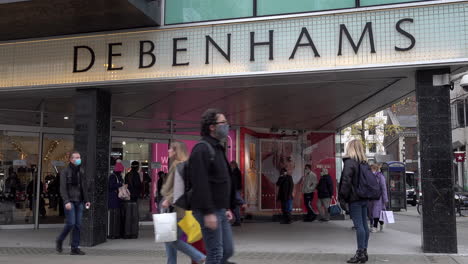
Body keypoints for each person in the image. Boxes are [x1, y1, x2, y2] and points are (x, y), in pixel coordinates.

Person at [190, 108, 237, 264]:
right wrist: (208, 213)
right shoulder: (202, 148)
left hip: (220, 208)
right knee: (215, 253)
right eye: (223, 123)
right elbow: (200, 183)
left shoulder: (218, 148)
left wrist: (228, 207)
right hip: (208, 210)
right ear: (212, 126)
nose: (227, 126)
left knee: (227, 250)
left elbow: (223, 180)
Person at [161, 141, 206, 264]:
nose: (168, 151)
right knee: (168, 238)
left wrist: (168, 200)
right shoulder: (176, 164)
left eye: (171, 149)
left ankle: (199, 256)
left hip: (176, 207)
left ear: (176, 151)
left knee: (173, 240)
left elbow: (180, 187)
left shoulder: (179, 166)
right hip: (171, 206)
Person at [338, 139, 370, 263]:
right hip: (364, 197)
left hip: (354, 199)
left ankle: (360, 253)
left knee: (359, 226)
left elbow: (346, 180)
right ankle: (365, 251)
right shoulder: (364, 163)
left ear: (350, 148)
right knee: (364, 226)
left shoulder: (350, 162)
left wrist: (342, 197)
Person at [56, 151, 91, 255]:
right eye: (76, 157)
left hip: (79, 201)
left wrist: (87, 200)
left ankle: (74, 248)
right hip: (69, 201)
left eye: (79, 157)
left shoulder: (81, 171)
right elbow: (62, 188)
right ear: (71, 159)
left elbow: (83, 188)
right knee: (71, 223)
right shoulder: (65, 172)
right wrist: (66, 201)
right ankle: (60, 240)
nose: (78, 159)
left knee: (78, 225)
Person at [368, 164, 388, 233]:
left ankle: (375, 226)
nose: (371, 171)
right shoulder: (369, 176)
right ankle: (378, 224)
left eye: (372, 169)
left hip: (378, 198)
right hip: (371, 197)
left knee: (376, 212)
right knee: (372, 213)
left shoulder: (380, 176)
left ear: (375, 169)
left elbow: (383, 188)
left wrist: (385, 199)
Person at [108, 160, 125, 239]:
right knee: (114, 215)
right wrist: (120, 184)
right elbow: (111, 186)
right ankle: (113, 233)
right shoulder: (113, 176)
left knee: (117, 215)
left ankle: (116, 232)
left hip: (117, 199)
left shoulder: (118, 176)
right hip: (113, 199)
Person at [230, 161, 245, 227]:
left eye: (231, 165)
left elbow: (235, 182)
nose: (230, 166)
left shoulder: (235, 172)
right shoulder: (236, 171)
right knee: (235, 206)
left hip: (235, 189)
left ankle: (238, 220)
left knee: (235, 206)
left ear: (234, 165)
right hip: (236, 189)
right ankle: (238, 220)